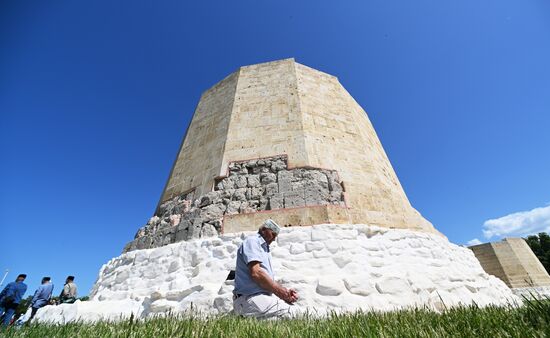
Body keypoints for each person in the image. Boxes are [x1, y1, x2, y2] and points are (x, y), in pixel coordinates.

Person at [233, 219, 299, 318]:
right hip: (251, 298)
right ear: (264, 230)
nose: (274, 239)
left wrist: (284, 291)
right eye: (273, 234)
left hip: (258, 299)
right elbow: (257, 273)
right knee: (297, 314)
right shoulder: (253, 241)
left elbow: (265, 278)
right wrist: (281, 293)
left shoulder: (263, 248)